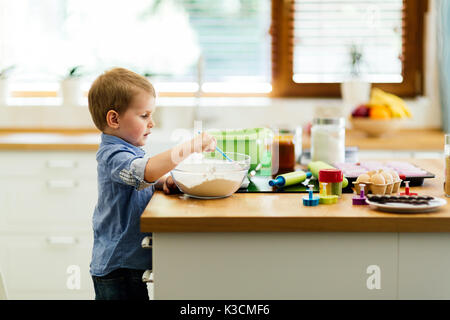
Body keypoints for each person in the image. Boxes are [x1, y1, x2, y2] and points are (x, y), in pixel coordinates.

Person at [87, 67, 216, 300]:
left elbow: (139, 179)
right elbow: (143, 172)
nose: (152, 123)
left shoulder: (128, 150)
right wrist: (191, 146)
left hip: (130, 263)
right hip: (118, 268)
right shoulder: (112, 154)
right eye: (144, 115)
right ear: (114, 119)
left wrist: (162, 182)